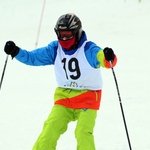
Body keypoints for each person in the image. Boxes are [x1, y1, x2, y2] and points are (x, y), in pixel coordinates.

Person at [4, 13, 117, 150]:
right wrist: (16, 52)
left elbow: (103, 59)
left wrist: (108, 57)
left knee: (82, 132)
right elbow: (33, 58)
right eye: (60, 34)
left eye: (67, 34)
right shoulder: (55, 49)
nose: (63, 38)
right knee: (50, 128)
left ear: (77, 33)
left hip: (88, 97)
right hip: (65, 98)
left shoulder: (87, 48)